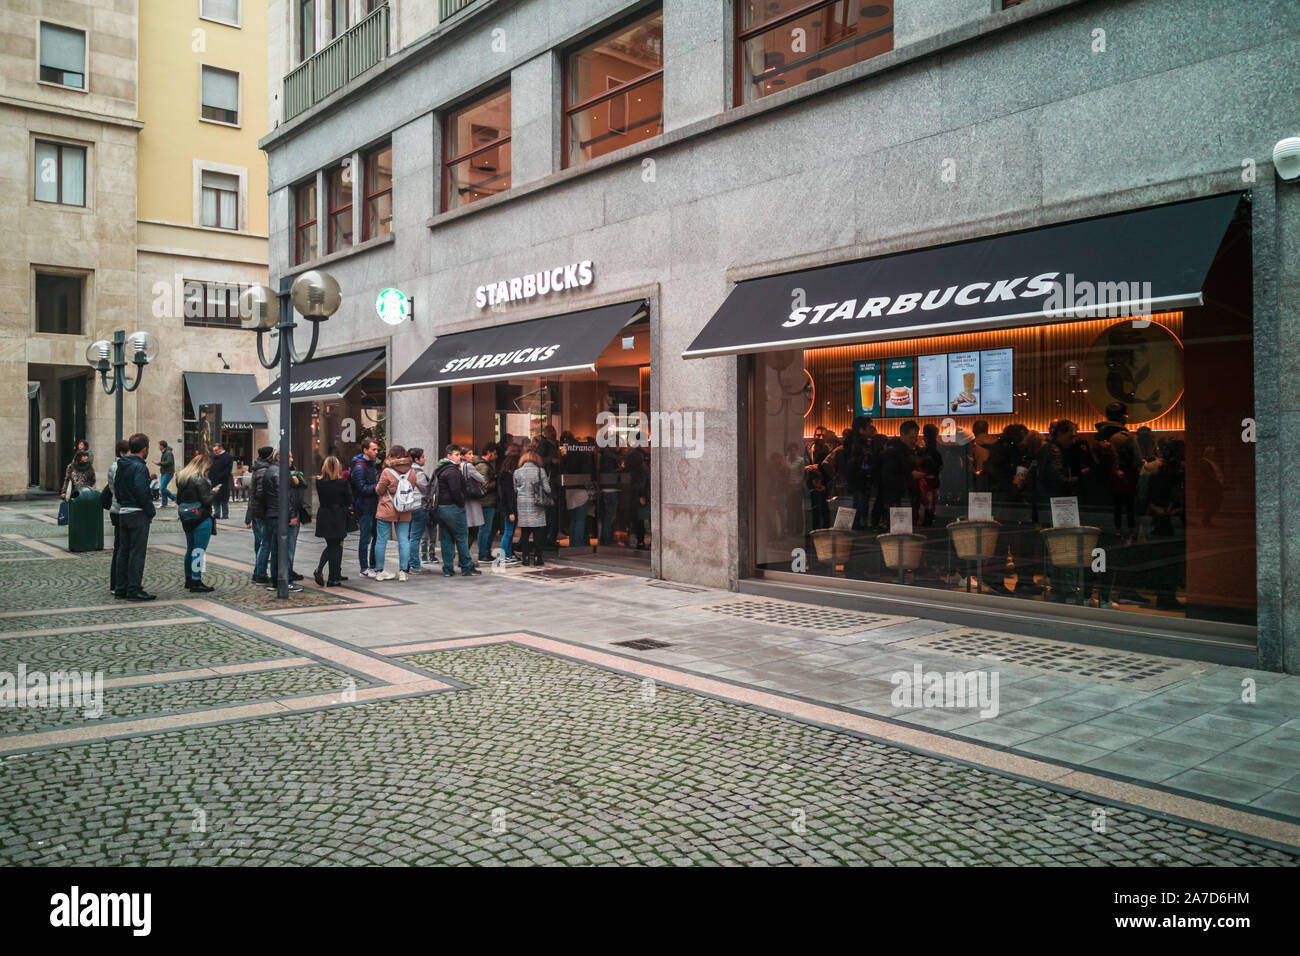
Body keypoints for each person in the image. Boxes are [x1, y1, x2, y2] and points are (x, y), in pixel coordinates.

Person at [114, 433, 157, 601]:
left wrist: (123, 501)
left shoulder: (122, 465)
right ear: (145, 449)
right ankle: (134, 588)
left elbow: (117, 488)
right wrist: (150, 510)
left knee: (123, 552)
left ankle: (120, 588)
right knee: (137, 553)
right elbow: (142, 491)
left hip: (124, 511)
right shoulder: (139, 467)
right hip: (137, 512)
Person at [253, 450, 303, 592]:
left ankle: (277, 579)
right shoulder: (280, 472)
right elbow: (285, 496)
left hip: (272, 514)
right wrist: (292, 515)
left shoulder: (270, 470)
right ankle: (286, 580)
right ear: (280, 457)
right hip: (281, 516)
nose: (292, 459)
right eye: (290, 456)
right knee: (285, 549)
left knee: (275, 549)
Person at [371, 444, 414, 582]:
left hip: (387, 508)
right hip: (404, 508)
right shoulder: (412, 471)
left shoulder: (387, 472)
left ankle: (379, 571)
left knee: (381, 540)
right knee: (403, 540)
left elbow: (379, 490)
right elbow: (412, 487)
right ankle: (403, 571)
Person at [174, 452, 216, 593]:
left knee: (190, 549)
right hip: (201, 517)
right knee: (199, 550)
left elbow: (179, 500)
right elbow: (207, 501)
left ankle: (188, 579)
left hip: (186, 517)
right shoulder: (200, 479)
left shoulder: (182, 478)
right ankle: (196, 581)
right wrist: (214, 492)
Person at [435, 445, 479, 576]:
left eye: (460, 455)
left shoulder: (440, 469)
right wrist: (461, 503)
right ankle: (466, 567)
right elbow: (455, 491)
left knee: (446, 538)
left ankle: (448, 569)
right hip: (453, 507)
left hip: (441, 508)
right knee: (461, 537)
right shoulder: (452, 471)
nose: (459, 457)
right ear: (449, 456)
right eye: (456, 455)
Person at [313, 455, 353, 587]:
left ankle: (334, 575)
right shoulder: (342, 483)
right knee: (334, 546)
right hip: (337, 515)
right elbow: (349, 500)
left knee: (333, 545)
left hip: (324, 514)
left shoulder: (319, 482)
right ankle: (328, 575)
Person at [514, 447, 553, 566]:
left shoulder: (517, 472)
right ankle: (537, 558)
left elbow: (515, 489)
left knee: (525, 533)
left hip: (522, 504)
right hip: (537, 504)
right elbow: (547, 489)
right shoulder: (540, 471)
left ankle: (525, 558)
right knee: (538, 533)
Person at [349, 439, 381, 578]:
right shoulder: (360, 467)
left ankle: (373, 565)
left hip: (373, 505)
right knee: (365, 537)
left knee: (376, 536)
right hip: (364, 506)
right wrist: (378, 487)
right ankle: (364, 567)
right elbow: (361, 488)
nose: (376, 452)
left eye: (377, 449)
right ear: (365, 450)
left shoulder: (371, 464)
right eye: (373, 449)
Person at [105, 439, 130, 597]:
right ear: (122, 453)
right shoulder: (119, 467)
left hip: (115, 509)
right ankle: (118, 583)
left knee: (119, 548)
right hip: (120, 510)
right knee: (121, 549)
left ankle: (116, 582)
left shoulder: (114, 466)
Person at [248, 446, 275, 584]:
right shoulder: (264, 470)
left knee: (263, 542)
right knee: (266, 543)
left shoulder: (259, 467)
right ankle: (260, 573)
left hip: (257, 510)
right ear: (269, 457)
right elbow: (260, 493)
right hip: (262, 511)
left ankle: (258, 572)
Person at [405, 447, 434, 573]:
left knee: (409, 537)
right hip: (418, 506)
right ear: (416, 459)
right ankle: (415, 565)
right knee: (415, 537)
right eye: (422, 456)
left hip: (408, 506)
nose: (425, 458)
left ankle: (407, 563)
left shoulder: (405, 471)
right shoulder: (418, 473)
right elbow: (426, 490)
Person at [460, 446, 487, 554]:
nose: (472, 456)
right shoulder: (468, 466)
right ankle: (465, 556)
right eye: (469, 454)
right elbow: (481, 479)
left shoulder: (458, 466)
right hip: (471, 499)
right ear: (463, 456)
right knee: (473, 529)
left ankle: (463, 555)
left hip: (463, 498)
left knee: (466, 529)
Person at [496, 447, 521, 565]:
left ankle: (509, 554)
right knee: (508, 532)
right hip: (509, 508)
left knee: (509, 531)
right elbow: (508, 496)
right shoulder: (507, 478)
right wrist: (510, 511)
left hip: (507, 507)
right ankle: (504, 556)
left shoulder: (504, 475)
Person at [476, 443, 499, 561]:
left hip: (486, 501)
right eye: (495, 454)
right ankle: (483, 554)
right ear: (489, 452)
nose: (496, 456)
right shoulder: (484, 467)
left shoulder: (483, 465)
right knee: (485, 529)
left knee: (487, 528)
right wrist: (497, 482)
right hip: (486, 502)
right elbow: (485, 485)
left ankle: (485, 552)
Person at [918, 423, 943, 527]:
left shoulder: (924, 450)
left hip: (925, 480)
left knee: (926, 501)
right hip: (933, 480)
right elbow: (940, 466)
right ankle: (928, 520)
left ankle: (926, 520)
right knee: (930, 502)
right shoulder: (935, 450)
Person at [208, 442, 234, 519]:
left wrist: (220, 476)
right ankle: (217, 513)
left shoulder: (228, 456)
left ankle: (225, 514)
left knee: (224, 498)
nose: (215, 452)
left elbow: (228, 469)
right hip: (213, 480)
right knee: (215, 497)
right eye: (214, 451)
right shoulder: (213, 456)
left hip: (223, 480)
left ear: (221, 448)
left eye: (216, 450)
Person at [155, 440, 176, 507]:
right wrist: (159, 464)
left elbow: (169, 462)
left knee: (162, 488)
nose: (158, 447)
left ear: (162, 446)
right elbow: (166, 463)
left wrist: (159, 463)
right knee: (163, 488)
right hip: (164, 472)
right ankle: (164, 504)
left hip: (168, 473)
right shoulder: (165, 452)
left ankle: (175, 499)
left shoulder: (168, 453)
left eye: (159, 445)